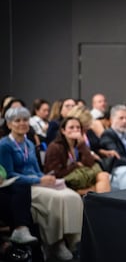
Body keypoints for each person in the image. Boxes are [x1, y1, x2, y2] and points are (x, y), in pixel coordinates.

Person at [0, 107, 83, 261]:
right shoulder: (4, 145)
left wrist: (46, 178)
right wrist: (38, 180)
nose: (22, 123)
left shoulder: (30, 144)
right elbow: (9, 175)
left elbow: (36, 170)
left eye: (25, 120)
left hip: (38, 182)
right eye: (17, 120)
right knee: (56, 199)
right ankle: (54, 243)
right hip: (22, 186)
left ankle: (73, 241)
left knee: (72, 197)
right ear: (9, 124)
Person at [43, 116, 111, 195]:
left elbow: (90, 163)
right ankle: (100, 201)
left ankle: (98, 200)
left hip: (80, 177)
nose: (75, 130)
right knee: (97, 189)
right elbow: (55, 173)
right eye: (71, 127)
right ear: (63, 131)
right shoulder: (55, 147)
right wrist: (75, 165)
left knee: (103, 175)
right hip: (64, 180)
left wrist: (82, 145)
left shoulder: (79, 144)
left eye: (78, 127)